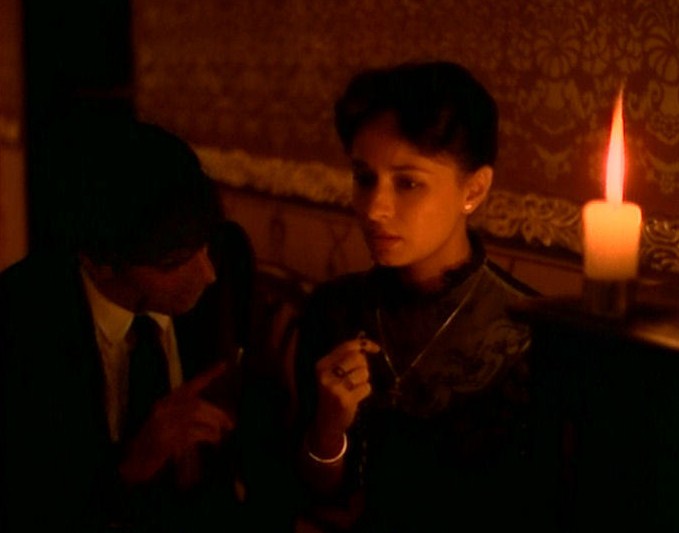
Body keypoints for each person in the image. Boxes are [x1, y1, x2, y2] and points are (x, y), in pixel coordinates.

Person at [294, 62, 538, 532]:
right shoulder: (334, 310)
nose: (374, 209)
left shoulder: (528, 336)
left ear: (474, 189)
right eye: (364, 178)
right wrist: (327, 429)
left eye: (407, 182)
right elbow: (315, 495)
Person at [0, 115, 254, 532]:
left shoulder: (229, 260)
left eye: (205, 246)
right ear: (98, 264)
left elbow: (262, 434)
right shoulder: (23, 317)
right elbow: (32, 502)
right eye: (173, 263)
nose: (207, 274)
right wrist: (134, 464)